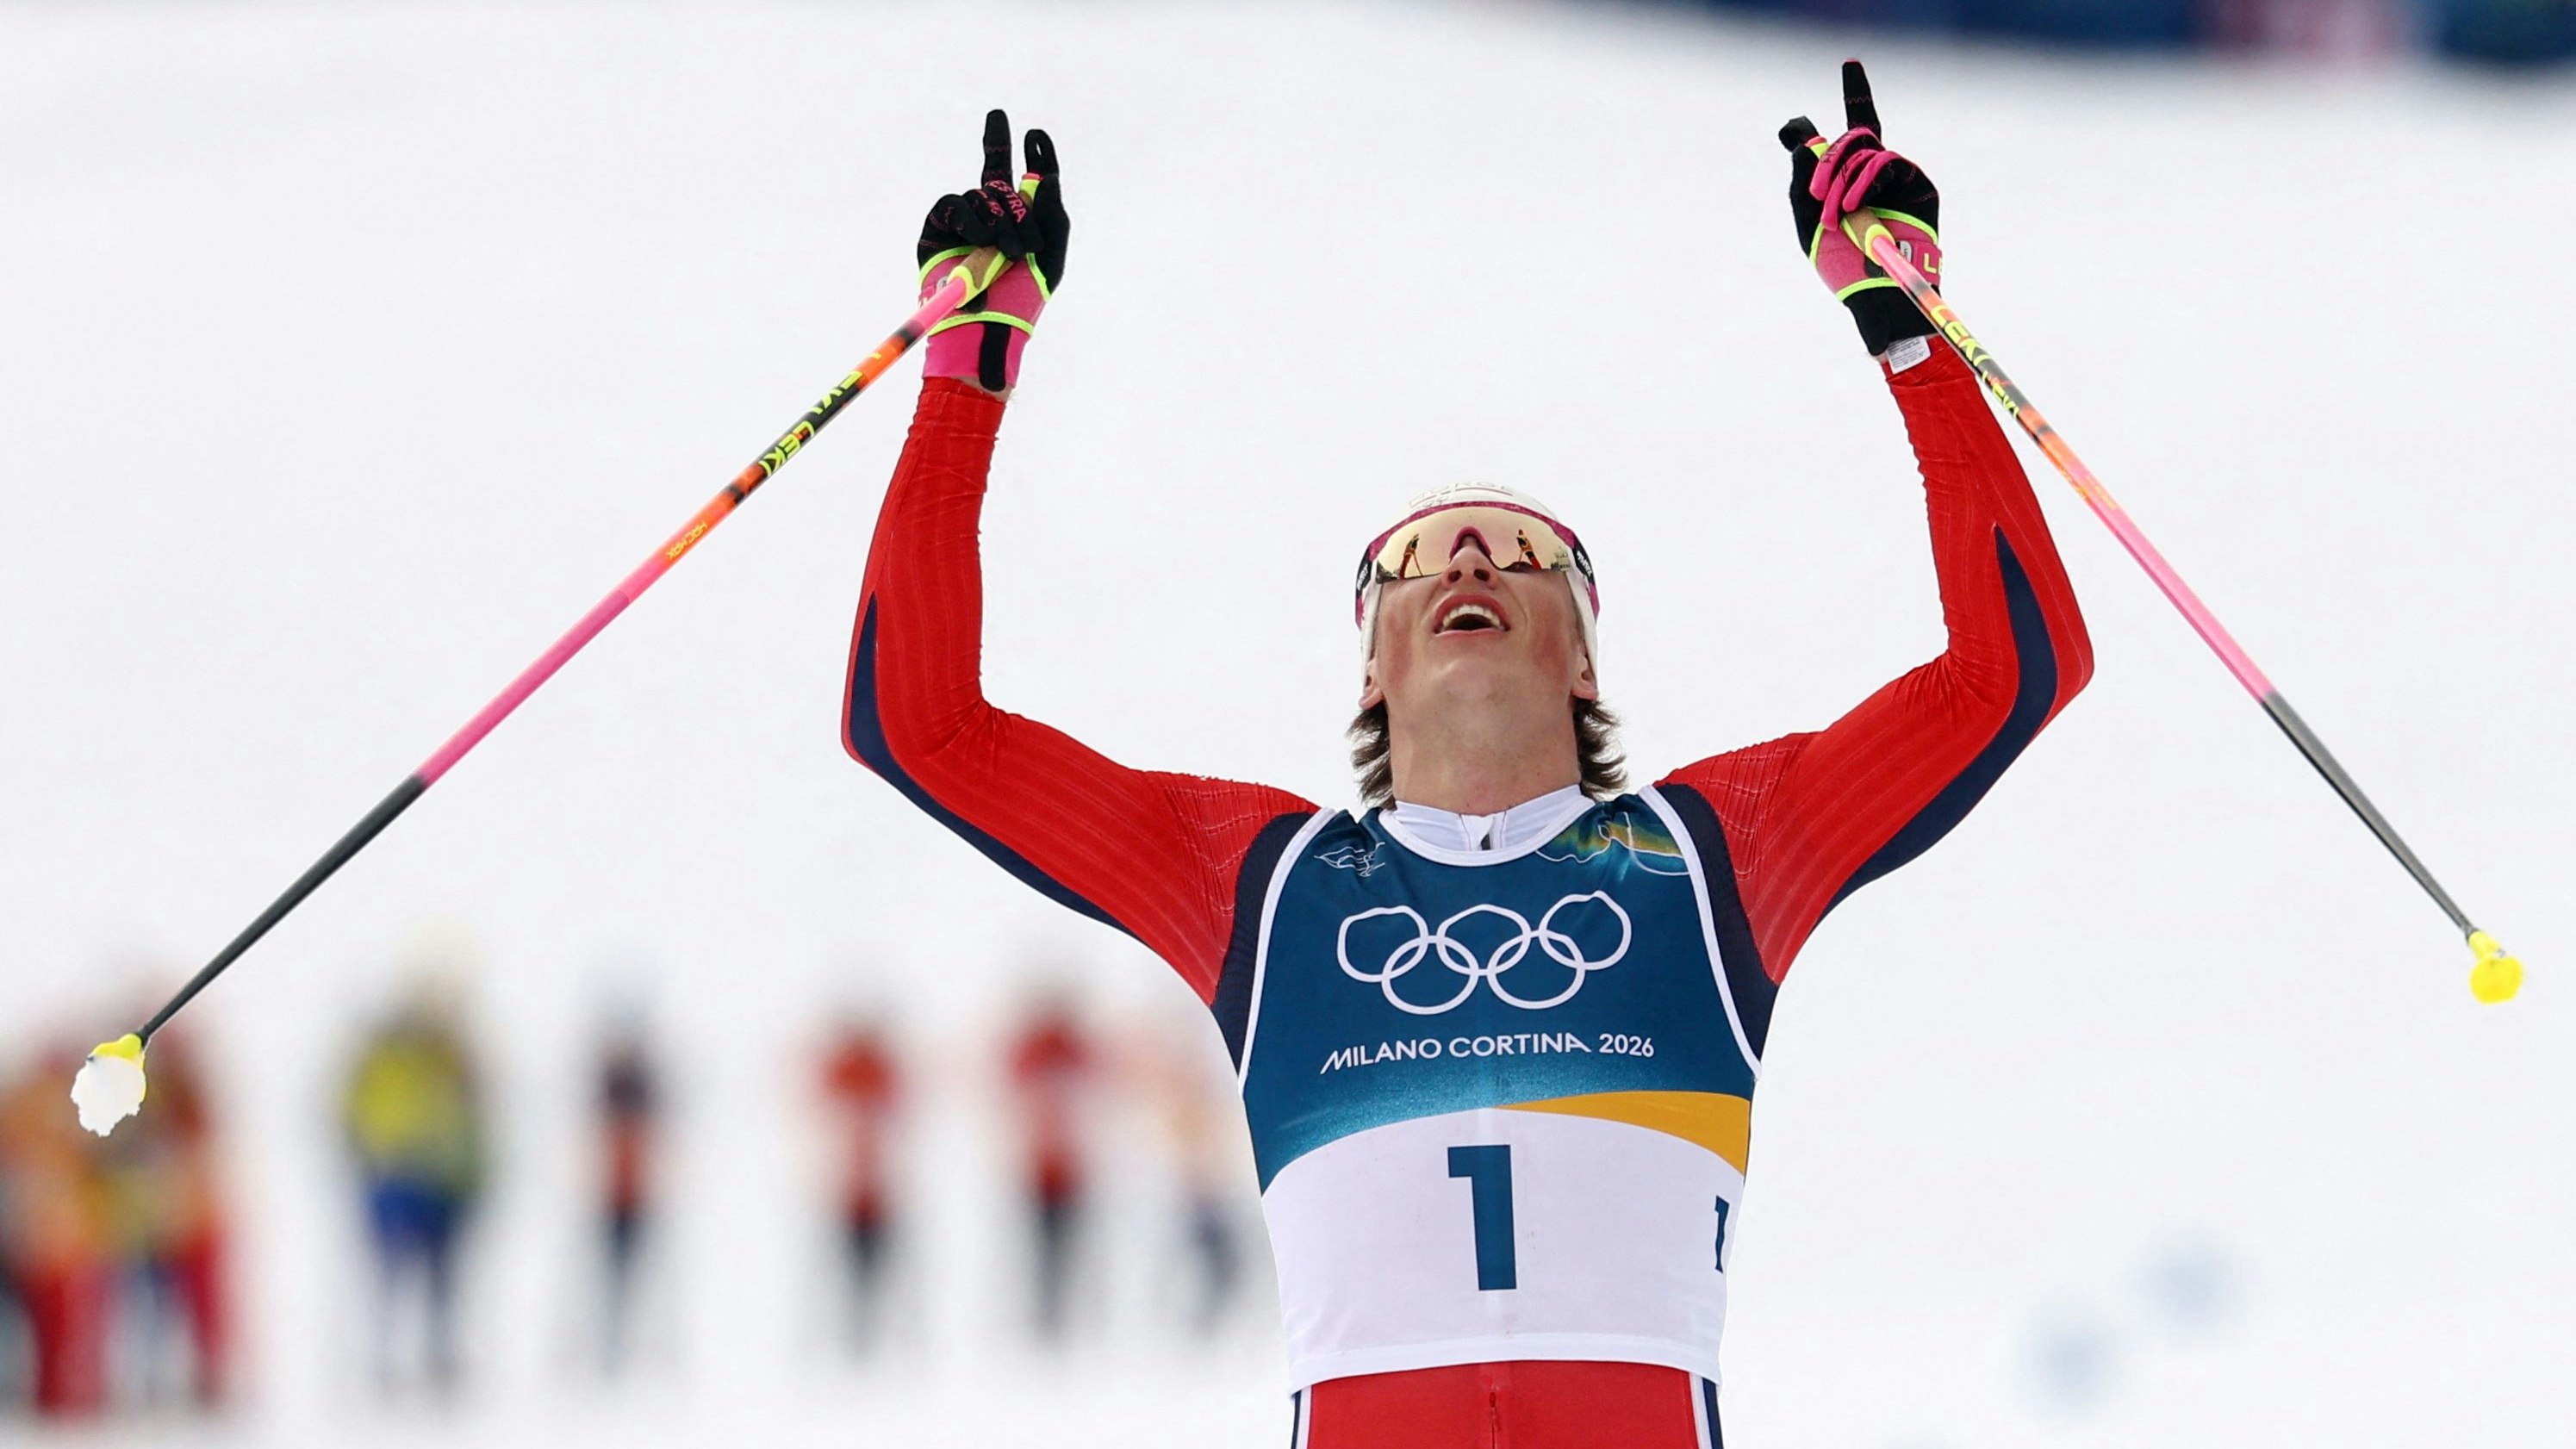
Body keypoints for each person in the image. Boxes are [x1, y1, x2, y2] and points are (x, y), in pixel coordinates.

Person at [842, 65, 2091, 1448]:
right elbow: (920, 723)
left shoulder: (1718, 853)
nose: (1471, 558)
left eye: (1522, 551)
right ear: (1370, 664)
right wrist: (967, 369)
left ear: (1580, 656)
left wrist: (1906, 330)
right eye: (1414, 564)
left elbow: (2008, 671)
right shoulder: (1258, 886)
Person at [342, 986, 485, 1397]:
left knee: (440, 1275)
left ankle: (437, 1355)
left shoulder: (448, 1056)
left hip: (442, 1182)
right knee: (391, 1271)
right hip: (392, 1180)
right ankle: (386, 1355)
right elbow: (354, 1112)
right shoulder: (383, 1059)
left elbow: (468, 1115)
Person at [1002, 992, 1093, 1343]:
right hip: (1041, 1170)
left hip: (1068, 1169)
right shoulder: (1036, 1052)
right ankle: (1047, 1315)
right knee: (1043, 1246)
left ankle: (1066, 1314)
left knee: (1067, 1244)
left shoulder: (1069, 1050)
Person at [817, 1016, 902, 1351]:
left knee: (879, 1261)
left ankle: (871, 1327)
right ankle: (849, 1328)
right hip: (843, 1187)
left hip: (880, 1186)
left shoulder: (884, 1072)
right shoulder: (841, 1071)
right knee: (842, 1262)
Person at [593, 1021, 658, 1374]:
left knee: (640, 1268)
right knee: (607, 1269)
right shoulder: (603, 1087)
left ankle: (637, 1343)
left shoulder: (647, 1087)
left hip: (640, 1190)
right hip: (607, 1191)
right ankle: (608, 1338)